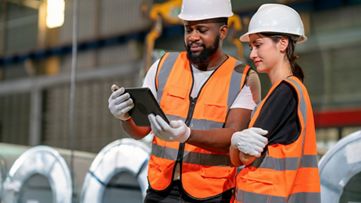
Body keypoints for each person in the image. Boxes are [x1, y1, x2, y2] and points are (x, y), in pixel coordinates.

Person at [108, 0, 267, 202]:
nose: (193, 37)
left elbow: (234, 137)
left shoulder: (242, 77)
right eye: (188, 29)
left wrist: (187, 134)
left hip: (211, 192)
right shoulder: (163, 66)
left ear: (223, 32)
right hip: (160, 189)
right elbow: (141, 131)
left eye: (202, 30)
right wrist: (125, 118)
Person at [229, 3, 321, 203]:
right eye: (251, 46)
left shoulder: (284, 93)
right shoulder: (289, 90)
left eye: (258, 44)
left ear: (282, 43)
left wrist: (235, 142)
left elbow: (246, 156)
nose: (252, 54)